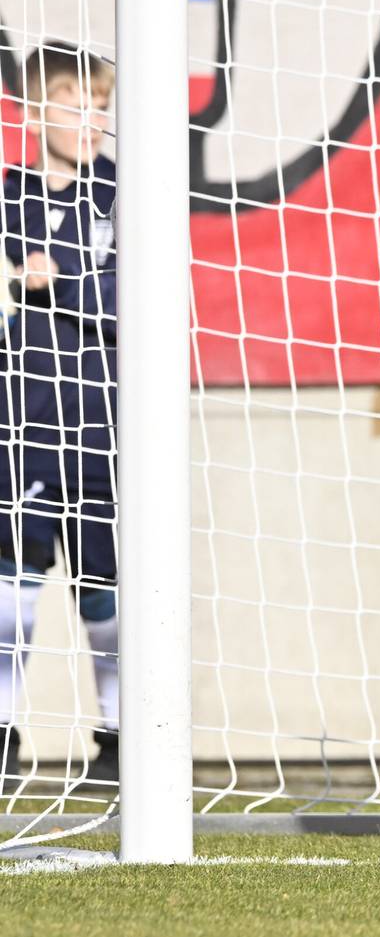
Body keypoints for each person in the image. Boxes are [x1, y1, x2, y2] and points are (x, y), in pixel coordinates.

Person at [0, 43, 119, 788]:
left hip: (105, 425)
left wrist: (60, 278)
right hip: (22, 425)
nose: (92, 119)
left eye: (102, 105)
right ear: (40, 110)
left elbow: (135, 302)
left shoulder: (121, 193)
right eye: (77, 103)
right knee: (12, 581)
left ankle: (119, 738)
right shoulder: (7, 196)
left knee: (107, 586)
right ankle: (4, 734)